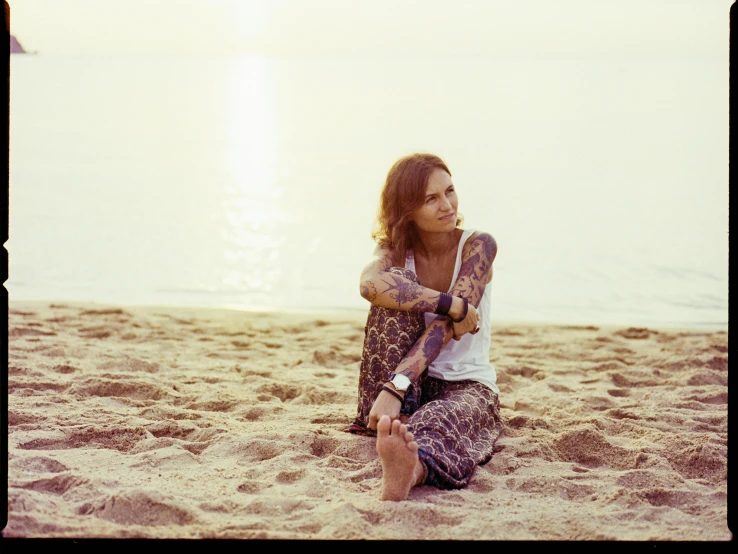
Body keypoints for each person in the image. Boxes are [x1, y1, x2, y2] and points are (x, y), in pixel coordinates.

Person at [348, 152, 503, 501]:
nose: (447, 205)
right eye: (430, 199)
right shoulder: (394, 249)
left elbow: (445, 330)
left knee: (443, 419)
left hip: (463, 383)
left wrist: (395, 386)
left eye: (449, 191)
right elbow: (368, 285)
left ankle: (410, 469)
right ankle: (394, 427)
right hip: (400, 392)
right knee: (393, 285)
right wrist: (450, 302)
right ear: (407, 210)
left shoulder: (478, 246)